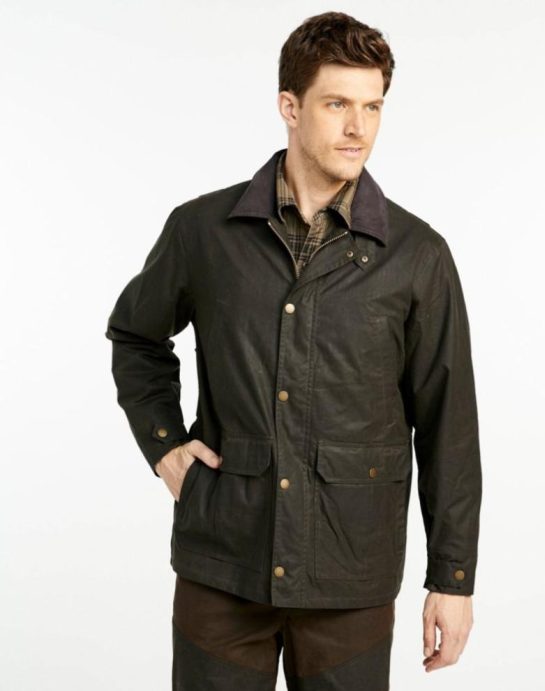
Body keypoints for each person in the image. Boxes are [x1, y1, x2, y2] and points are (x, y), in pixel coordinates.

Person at [105, 10, 482, 690]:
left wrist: (452, 578)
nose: (358, 128)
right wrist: (165, 446)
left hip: (351, 574)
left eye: (373, 107)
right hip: (223, 561)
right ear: (290, 107)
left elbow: (448, 423)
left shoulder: (417, 255)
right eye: (337, 104)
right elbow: (136, 335)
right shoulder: (203, 231)